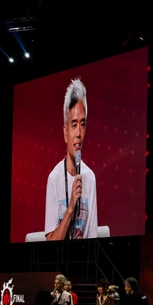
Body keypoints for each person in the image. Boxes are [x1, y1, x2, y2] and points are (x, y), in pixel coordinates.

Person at [45, 77, 98, 240]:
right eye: (74, 125)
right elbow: (50, 244)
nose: (79, 134)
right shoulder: (54, 178)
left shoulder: (90, 178)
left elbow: (92, 238)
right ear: (65, 132)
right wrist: (70, 208)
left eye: (83, 124)